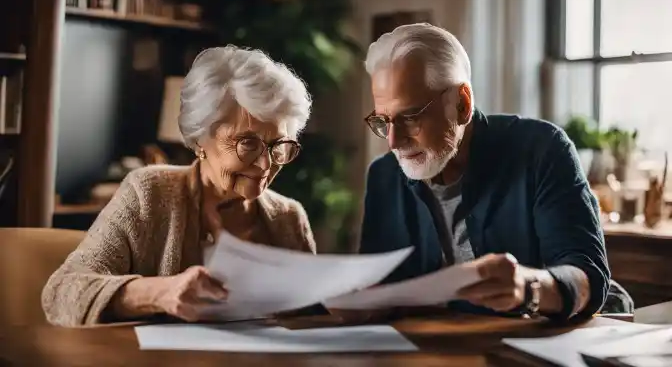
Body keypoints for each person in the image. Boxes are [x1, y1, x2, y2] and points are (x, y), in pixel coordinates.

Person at [42, 45, 315, 327]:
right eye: (247, 143)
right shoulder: (149, 193)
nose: (265, 165)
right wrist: (160, 293)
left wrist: (345, 306)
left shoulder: (288, 218)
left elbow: (310, 316)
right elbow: (62, 293)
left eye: (279, 146)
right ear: (200, 139)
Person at [359, 23, 610, 321]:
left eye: (410, 117)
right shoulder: (383, 176)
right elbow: (377, 289)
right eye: (383, 121)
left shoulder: (541, 149)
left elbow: (587, 278)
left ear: (462, 104)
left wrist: (527, 289)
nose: (393, 141)